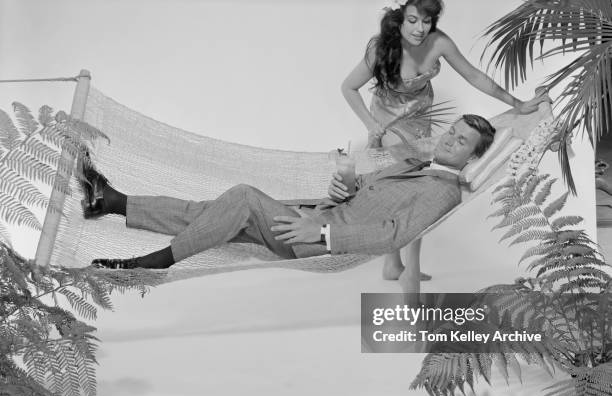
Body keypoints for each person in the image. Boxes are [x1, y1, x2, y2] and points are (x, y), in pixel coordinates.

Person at [83, 114, 495, 270]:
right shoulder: (415, 164)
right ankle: (112, 202)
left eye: (461, 142)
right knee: (212, 212)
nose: (449, 140)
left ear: (472, 159)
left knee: (242, 197)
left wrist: (322, 234)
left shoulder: (444, 192)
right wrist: (347, 182)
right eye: (452, 132)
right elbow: (361, 195)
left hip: (311, 239)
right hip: (314, 215)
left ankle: (158, 261)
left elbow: (394, 234)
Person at [341, 0, 549, 281]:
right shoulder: (381, 47)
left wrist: (517, 103)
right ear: (401, 19)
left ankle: (395, 266)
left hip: (421, 122)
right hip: (387, 122)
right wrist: (371, 125)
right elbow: (348, 87)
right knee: (408, 185)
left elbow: (474, 75)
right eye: (413, 20)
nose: (419, 28)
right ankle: (406, 268)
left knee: (413, 186)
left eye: (426, 21)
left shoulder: (439, 42)